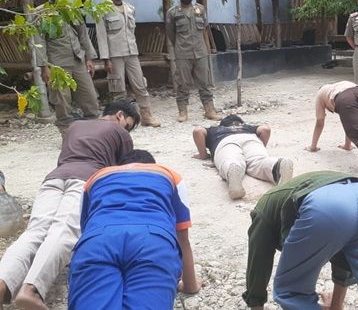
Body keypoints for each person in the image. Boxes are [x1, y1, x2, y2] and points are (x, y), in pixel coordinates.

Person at [0, 101, 138, 310]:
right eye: (128, 125)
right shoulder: (120, 133)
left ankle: (2, 284)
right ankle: (31, 290)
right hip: (86, 180)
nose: (127, 130)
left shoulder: (75, 126)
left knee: (34, 232)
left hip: (54, 179)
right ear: (120, 115)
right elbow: (121, 172)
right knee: (65, 230)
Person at [243, 171, 358, 310]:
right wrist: (336, 305)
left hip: (325, 203)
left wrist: (255, 303)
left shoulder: (263, 209)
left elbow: (258, 260)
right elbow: (345, 248)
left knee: (292, 293)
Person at [68, 150, 201, 309]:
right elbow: (182, 238)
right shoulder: (169, 175)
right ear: (152, 165)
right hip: (153, 241)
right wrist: (190, 285)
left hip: (98, 239)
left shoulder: (96, 178)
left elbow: (86, 227)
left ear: (118, 167)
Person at [34, 0, 101, 135]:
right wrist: (44, 67)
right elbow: (39, 41)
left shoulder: (73, 9)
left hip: (78, 60)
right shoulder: (41, 12)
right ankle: (67, 135)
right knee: (62, 102)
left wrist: (89, 58)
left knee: (90, 97)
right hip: (57, 65)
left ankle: (94, 133)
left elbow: (83, 35)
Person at [95, 0, 160, 127]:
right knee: (118, 89)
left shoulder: (130, 8)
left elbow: (131, 32)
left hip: (131, 52)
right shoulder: (102, 9)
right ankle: (120, 121)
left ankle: (146, 116)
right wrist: (106, 59)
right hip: (114, 54)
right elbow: (101, 36)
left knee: (140, 85)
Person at [192, 115, 293, 200]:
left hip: (225, 141)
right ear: (240, 123)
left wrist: (203, 155)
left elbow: (198, 130)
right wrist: (262, 147)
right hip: (251, 139)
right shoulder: (247, 127)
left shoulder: (215, 130)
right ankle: (277, 165)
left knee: (230, 160)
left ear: (222, 124)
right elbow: (265, 129)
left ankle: (233, 167)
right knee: (259, 162)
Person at [165, 0, 222, 122]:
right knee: (182, 83)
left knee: (204, 82)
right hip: (183, 53)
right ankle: (182, 112)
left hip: (200, 51)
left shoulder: (200, 9)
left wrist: (207, 49)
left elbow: (205, 30)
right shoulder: (173, 12)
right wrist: (179, 46)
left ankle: (209, 110)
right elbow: (171, 33)